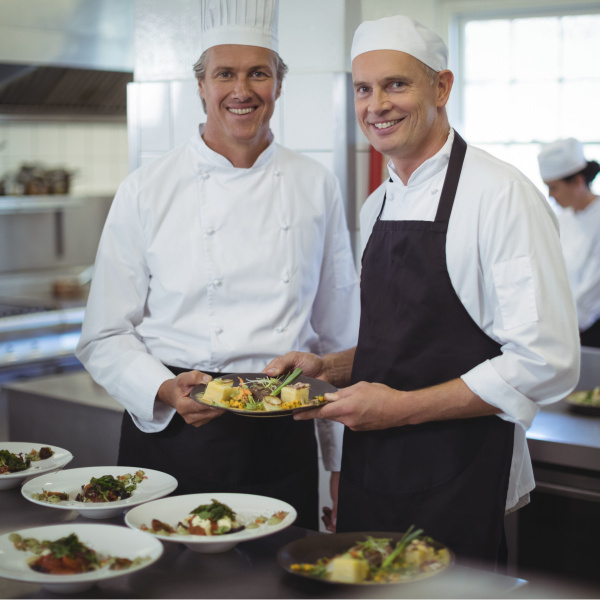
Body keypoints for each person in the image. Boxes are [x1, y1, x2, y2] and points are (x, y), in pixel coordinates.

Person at [265, 15, 580, 563]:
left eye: (396, 84)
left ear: (442, 86)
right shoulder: (378, 202)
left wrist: (402, 409)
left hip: (459, 473)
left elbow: (546, 361)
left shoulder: (500, 195)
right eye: (364, 89)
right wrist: (329, 368)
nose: (376, 105)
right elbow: (412, 343)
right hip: (371, 467)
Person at [75, 0, 360, 530]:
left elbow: (340, 337)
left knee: (276, 580)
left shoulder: (315, 183)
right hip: (178, 431)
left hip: (283, 428)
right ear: (201, 85)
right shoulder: (146, 188)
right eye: (225, 73)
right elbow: (103, 335)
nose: (242, 90)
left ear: (279, 84)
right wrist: (163, 390)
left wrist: (340, 465)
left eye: (260, 73)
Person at [538, 138, 600, 347]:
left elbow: (593, 290)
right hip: (563, 323)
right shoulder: (563, 218)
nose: (551, 195)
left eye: (554, 188)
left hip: (588, 329)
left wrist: (562, 329)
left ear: (578, 182)